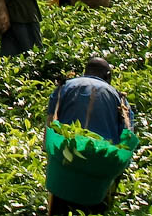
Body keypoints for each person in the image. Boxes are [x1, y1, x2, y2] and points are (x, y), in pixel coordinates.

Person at [46, 57, 135, 215]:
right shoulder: (120, 99)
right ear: (107, 76)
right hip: (100, 169)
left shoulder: (64, 87)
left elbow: (49, 128)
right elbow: (127, 139)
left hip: (66, 164)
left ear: (85, 72)